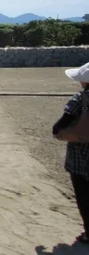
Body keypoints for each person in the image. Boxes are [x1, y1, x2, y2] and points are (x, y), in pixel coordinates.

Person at [53, 62, 89, 244]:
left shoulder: (80, 99)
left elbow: (58, 127)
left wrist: (61, 134)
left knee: (84, 197)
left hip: (81, 159)